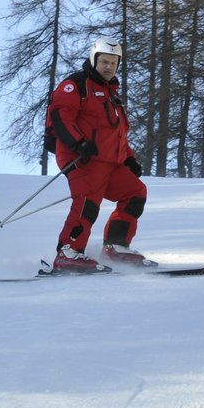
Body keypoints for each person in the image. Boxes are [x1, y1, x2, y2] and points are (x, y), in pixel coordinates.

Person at [45, 38, 149, 272]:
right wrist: (79, 143)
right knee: (87, 202)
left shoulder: (111, 93)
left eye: (113, 62)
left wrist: (128, 158)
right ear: (94, 60)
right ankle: (68, 253)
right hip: (81, 158)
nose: (108, 67)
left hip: (110, 162)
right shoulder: (76, 84)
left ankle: (116, 248)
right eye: (104, 61)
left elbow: (116, 133)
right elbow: (62, 115)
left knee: (135, 192)